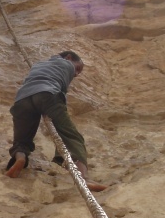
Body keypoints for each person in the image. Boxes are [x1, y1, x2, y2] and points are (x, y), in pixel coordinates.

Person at [6, 51, 107, 192]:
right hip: (48, 94)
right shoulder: (66, 64)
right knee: (72, 137)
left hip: (22, 98)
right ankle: (84, 178)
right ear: (69, 57)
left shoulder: (38, 65)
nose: (76, 74)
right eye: (78, 68)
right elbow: (61, 92)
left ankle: (20, 157)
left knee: (21, 140)